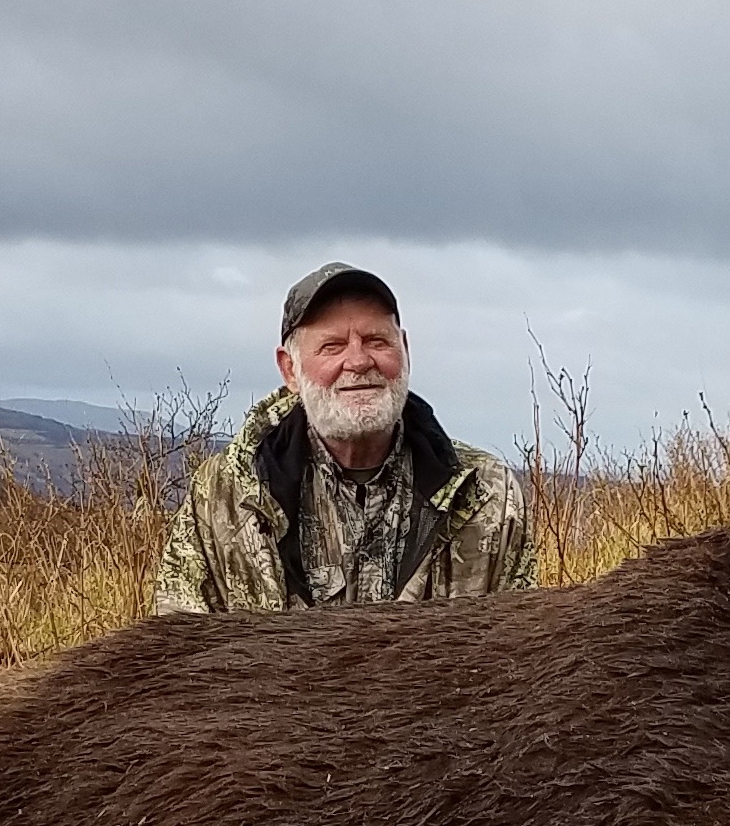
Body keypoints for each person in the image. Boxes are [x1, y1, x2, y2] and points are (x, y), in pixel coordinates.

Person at [148, 262, 536, 614]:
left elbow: (520, 652)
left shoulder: (488, 493)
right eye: (332, 347)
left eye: (376, 341)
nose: (359, 361)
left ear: (406, 351)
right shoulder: (223, 494)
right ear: (289, 370)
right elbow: (179, 653)